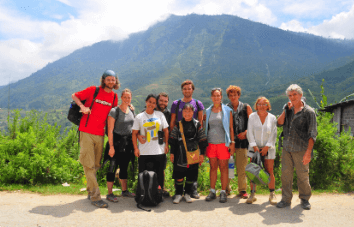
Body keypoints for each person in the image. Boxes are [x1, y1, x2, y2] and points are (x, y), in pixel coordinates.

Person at [71, 69, 119, 208]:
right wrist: (82, 106)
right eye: (108, 79)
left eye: (113, 79)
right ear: (103, 80)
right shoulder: (94, 90)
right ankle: (95, 197)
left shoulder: (114, 97)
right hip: (86, 131)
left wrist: (128, 107)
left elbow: (114, 114)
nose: (111, 81)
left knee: (96, 165)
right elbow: (74, 95)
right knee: (89, 165)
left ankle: (90, 189)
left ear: (116, 81)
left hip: (100, 134)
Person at [276, 84, 317, 210]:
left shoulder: (309, 112)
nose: (292, 97)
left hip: (301, 149)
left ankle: (304, 199)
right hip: (287, 148)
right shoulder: (288, 109)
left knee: (303, 175)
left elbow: (312, 134)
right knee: (285, 175)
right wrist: (285, 110)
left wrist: (308, 152)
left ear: (300, 95)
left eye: (295, 94)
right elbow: (279, 123)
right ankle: (286, 199)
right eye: (290, 95)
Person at [170, 80, 205, 199]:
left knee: (192, 169)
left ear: (193, 90)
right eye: (185, 89)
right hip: (179, 140)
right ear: (182, 90)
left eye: (189, 88)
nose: (187, 91)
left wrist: (200, 148)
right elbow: (173, 121)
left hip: (193, 141)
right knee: (179, 167)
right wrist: (172, 142)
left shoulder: (198, 103)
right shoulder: (176, 103)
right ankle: (178, 192)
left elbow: (200, 121)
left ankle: (191, 192)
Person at [169, 103, 208, 204]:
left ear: (193, 112)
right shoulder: (178, 124)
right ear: (182, 112)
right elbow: (172, 139)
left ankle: (187, 194)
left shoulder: (197, 124)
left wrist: (202, 154)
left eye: (189, 111)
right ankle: (178, 194)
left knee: (191, 175)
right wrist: (172, 153)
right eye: (185, 111)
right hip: (179, 153)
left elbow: (202, 139)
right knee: (179, 174)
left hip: (193, 152)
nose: (187, 113)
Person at [103, 88, 135, 203]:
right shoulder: (114, 111)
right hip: (115, 143)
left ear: (131, 99)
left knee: (124, 167)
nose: (127, 99)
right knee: (112, 167)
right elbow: (110, 130)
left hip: (127, 144)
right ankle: (110, 193)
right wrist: (111, 146)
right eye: (125, 97)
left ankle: (124, 191)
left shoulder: (131, 110)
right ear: (121, 98)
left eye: (129, 97)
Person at [132, 94, 169, 192]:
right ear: (146, 102)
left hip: (159, 150)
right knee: (143, 174)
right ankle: (144, 194)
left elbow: (166, 130)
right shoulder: (139, 117)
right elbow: (134, 133)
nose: (151, 104)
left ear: (156, 105)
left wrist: (167, 145)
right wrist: (136, 148)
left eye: (153, 103)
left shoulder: (160, 115)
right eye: (149, 102)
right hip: (144, 151)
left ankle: (158, 194)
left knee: (159, 174)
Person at [205, 88, 235, 203]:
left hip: (223, 144)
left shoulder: (227, 110)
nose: (216, 98)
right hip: (211, 143)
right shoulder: (208, 111)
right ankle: (212, 191)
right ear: (211, 97)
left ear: (221, 97)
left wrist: (232, 143)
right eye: (214, 96)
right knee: (213, 168)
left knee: (223, 168)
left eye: (218, 96)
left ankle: (223, 192)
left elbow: (231, 128)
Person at [246, 97, 277, 205]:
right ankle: (252, 194)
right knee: (253, 171)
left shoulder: (272, 118)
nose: (262, 106)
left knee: (269, 171)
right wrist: (255, 147)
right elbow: (249, 133)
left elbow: (273, 134)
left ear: (268, 106)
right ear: (256, 105)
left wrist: (266, 147)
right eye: (259, 104)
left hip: (268, 149)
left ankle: (272, 194)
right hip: (254, 149)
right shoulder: (252, 117)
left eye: (264, 104)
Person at [226, 85, 252, 199]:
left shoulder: (246, 107)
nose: (233, 97)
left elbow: (253, 123)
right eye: (230, 95)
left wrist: (246, 132)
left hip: (243, 143)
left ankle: (242, 190)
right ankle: (226, 188)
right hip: (229, 143)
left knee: (242, 168)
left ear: (239, 95)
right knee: (228, 167)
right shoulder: (225, 108)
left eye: (235, 95)